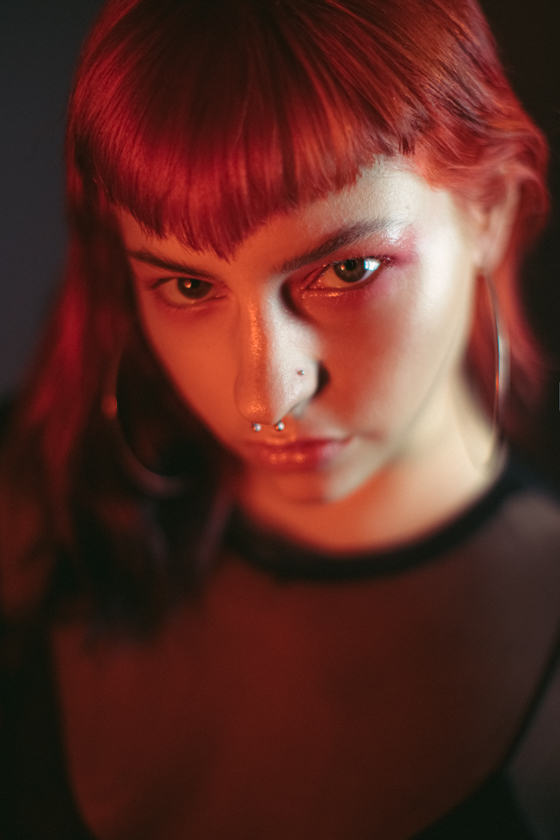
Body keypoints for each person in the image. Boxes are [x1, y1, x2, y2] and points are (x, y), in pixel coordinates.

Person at [1, 0, 559, 837]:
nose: (264, 397)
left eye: (349, 270)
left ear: (493, 214)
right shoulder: (30, 498)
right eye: (188, 286)